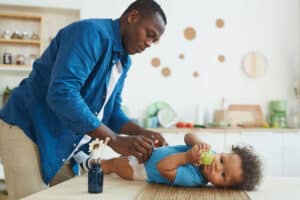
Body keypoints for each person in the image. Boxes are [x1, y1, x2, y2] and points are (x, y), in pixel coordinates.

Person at [0, 0, 167, 199]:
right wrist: (114, 140)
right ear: (132, 17)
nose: (150, 44)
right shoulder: (91, 33)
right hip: (26, 127)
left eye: (155, 40)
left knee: (73, 194)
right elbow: (62, 94)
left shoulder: (123, 61)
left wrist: (142, 133)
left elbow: (111, 112)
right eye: (150, 34)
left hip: (59, 137)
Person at [92, 133, 262, 190]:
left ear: (221, 186)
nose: (217, 165)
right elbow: (188, 136)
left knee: (113, 165)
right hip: (147, 156)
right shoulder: (209, 153)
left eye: (223, 174)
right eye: (223, 160)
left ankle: (90, 166)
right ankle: (90, 162)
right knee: (115, 159)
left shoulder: (194, 178)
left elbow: (162, 167)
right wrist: (198, 143)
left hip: (141, 169)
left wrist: (187, 158)